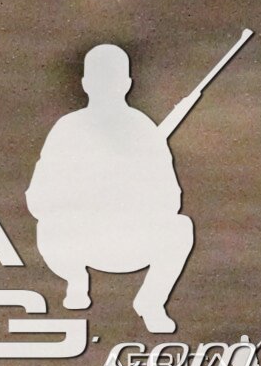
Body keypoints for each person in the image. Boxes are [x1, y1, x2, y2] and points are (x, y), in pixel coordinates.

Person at [31, 42, 196, 334]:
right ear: (85, 84)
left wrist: (134, 190)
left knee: (180, 228)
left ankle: (151, 302)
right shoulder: (67, 129)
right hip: (80, 242)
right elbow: (38, 197)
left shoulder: (145, 131)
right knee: (48, 227)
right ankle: (76, 281)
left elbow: (172, 200)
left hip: (133, 241)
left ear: (127, 84)